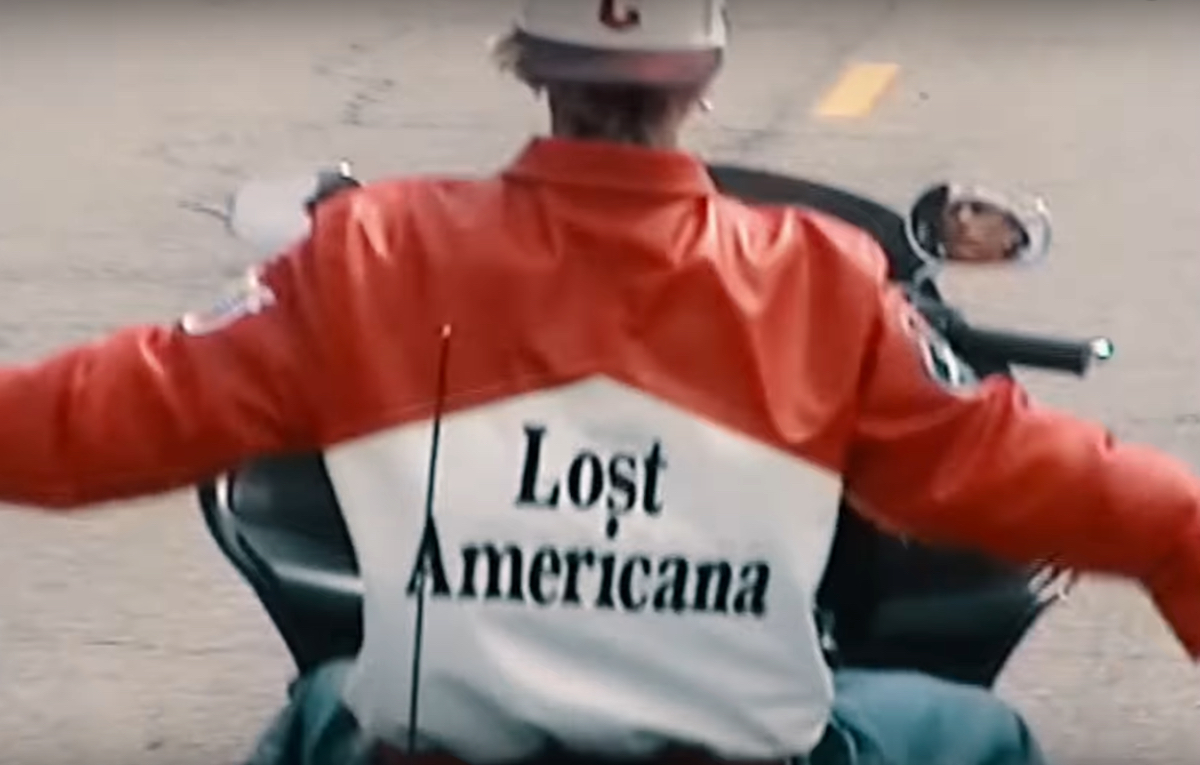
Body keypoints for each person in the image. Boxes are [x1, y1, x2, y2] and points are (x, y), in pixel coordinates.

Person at [4, 1, 1200, 764]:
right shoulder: (823, 285)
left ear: (528, 66)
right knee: (978, 733)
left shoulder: (370, 254)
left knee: (323, 709)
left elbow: (65, 433)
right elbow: (1135, 515)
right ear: (703, 77)